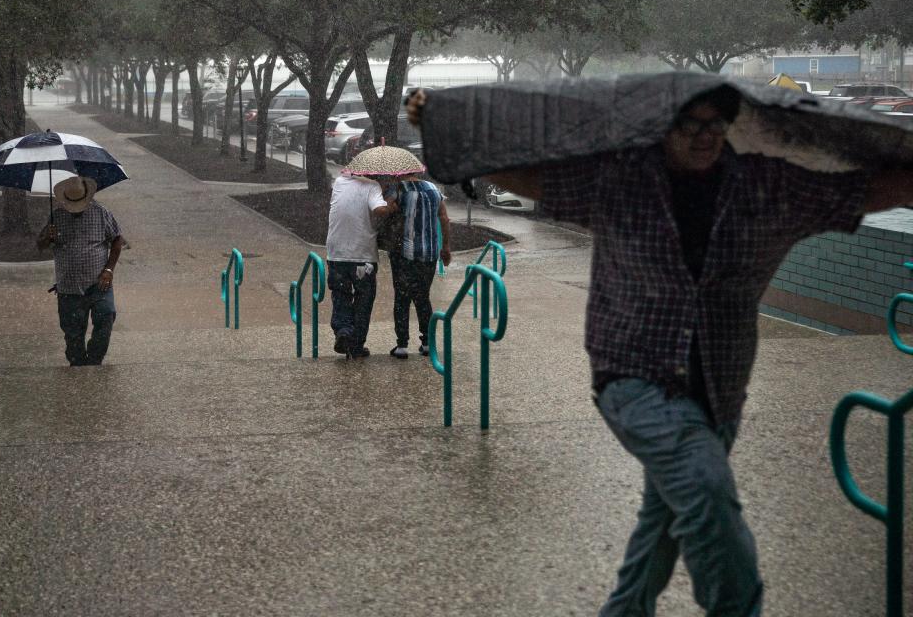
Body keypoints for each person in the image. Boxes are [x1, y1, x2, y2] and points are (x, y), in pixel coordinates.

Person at [406, 85, 913, 616]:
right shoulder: (623, 181)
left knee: (663, 527)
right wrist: (446, 125)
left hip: (718, 390)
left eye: (715, 124)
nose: (703, 136)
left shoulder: (768, 189)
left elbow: (862, 191)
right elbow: (535, 177)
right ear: (662, 129)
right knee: (706, 491)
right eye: (689, 125)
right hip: (634, 377)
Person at [37, 176, 125, 367]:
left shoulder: (101, 213)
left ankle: (94, 360)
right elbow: (40, 245)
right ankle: (78, 365)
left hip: (98, 283)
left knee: (106, 317)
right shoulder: (56, 216)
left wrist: (109, 269)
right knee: (73, 333)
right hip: (68, 287)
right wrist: (47, 237)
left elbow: (117, 240)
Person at [326, 172, 398, 359]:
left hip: (336, 253)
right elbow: (379, 210)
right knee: (363, 299)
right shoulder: (372, 186)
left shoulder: (340, 181)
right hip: (362, 255)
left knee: (340, 294)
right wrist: (390, 205)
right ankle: (356, 344)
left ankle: (343, 330)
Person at [384, 174, 452, 359]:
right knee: (423, 297)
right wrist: (445, 247)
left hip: (404, 254)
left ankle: (402, 345)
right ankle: (428, 342)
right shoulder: (433, 189)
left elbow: (387, 211)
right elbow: (444, 218)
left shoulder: (398, 189)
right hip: (428, 254)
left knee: (402, 298)